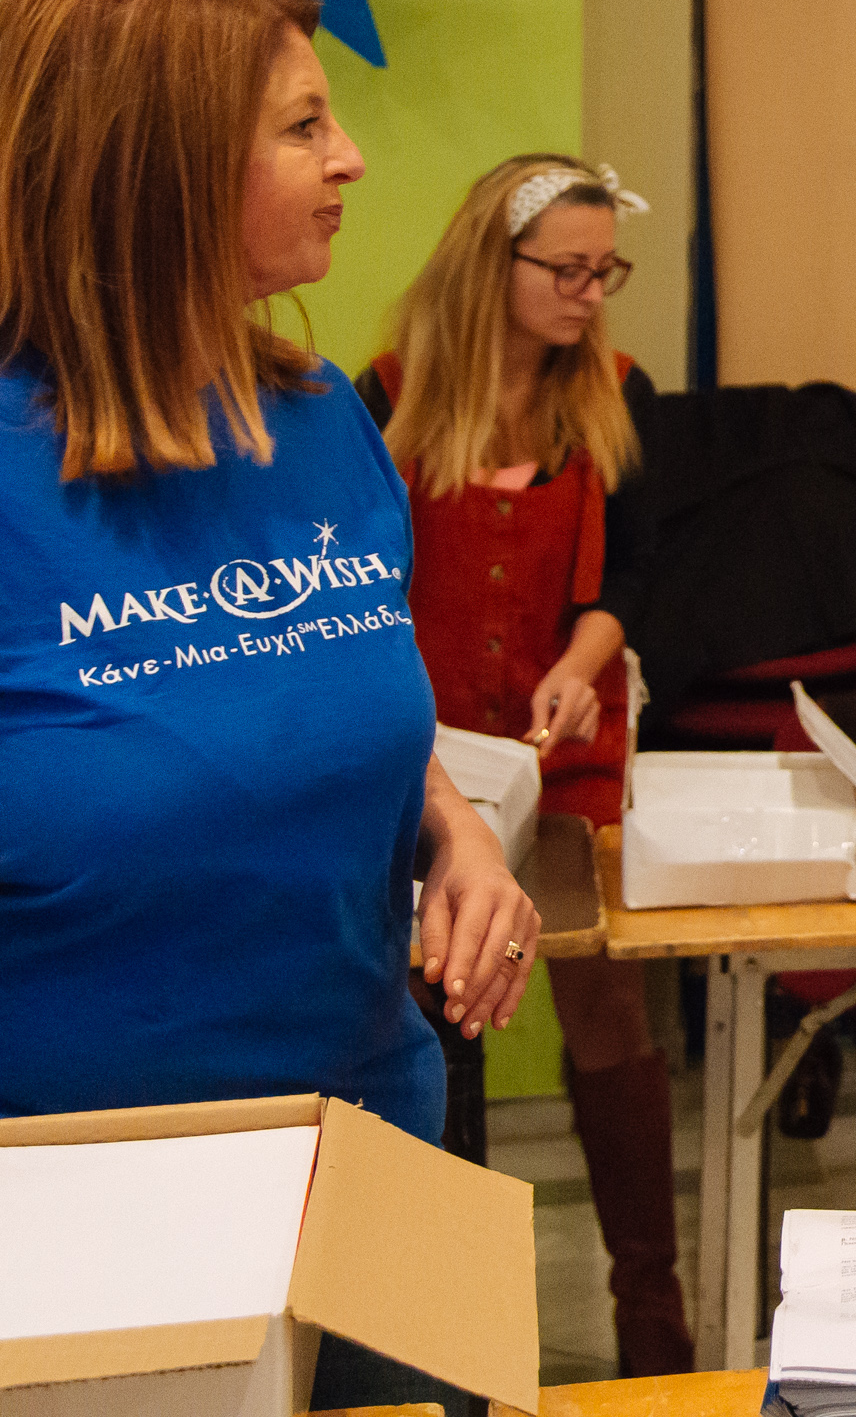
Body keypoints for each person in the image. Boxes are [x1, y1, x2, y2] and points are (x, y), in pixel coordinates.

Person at [0, 0, 537, 1410]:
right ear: (155, 167)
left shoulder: (316, 419)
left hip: (372, 1146)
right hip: (80, 1213)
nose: (349, 158)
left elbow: (345, 697)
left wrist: (454, 829)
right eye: (303, 126)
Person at [353, 153, 687, 1376]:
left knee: (604, 1007)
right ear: (491, 264)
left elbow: (634, 573)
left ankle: (650, 1303)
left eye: (607, 271)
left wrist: (583, 659)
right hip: (430, 766)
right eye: (568, 270)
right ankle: (458, 1330)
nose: (592, 294)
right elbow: (353, 586)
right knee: (444, 1006)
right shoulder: (386, 393)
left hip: (564, 755)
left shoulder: (616, 391)